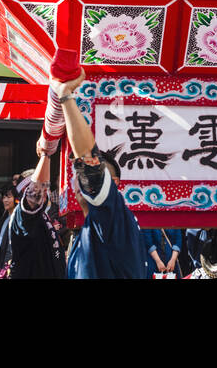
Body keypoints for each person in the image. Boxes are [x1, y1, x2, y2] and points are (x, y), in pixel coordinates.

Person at [53, 70, 145, 278]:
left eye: (80, 176)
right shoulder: (89, 230)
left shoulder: (113, 218)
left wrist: (66, 95)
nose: (76, 182)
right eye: (77, 177)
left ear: (112, 183)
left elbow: (88, 160)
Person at [6, 147, 66, 278]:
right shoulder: (23, 214)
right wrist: (46, 153)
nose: (46, 189)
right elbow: (36, 192)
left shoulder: (41, 215)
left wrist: (48, 155)